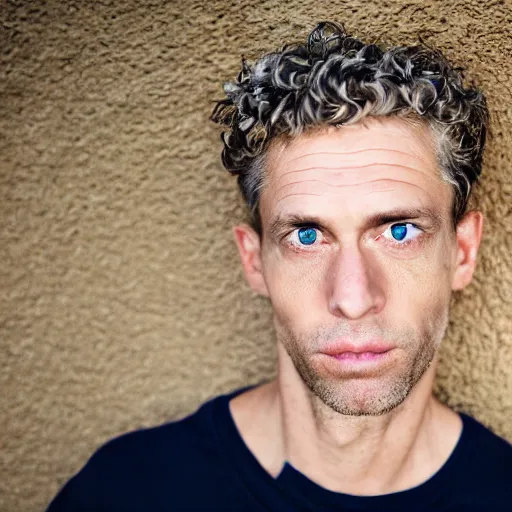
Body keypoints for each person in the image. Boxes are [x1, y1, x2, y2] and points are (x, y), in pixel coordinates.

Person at [46, 20, 511, 511]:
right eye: (307, 236)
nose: (352, 298)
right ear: (254, 260)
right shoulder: (126, 492)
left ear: (463, 252)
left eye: (399, 231)